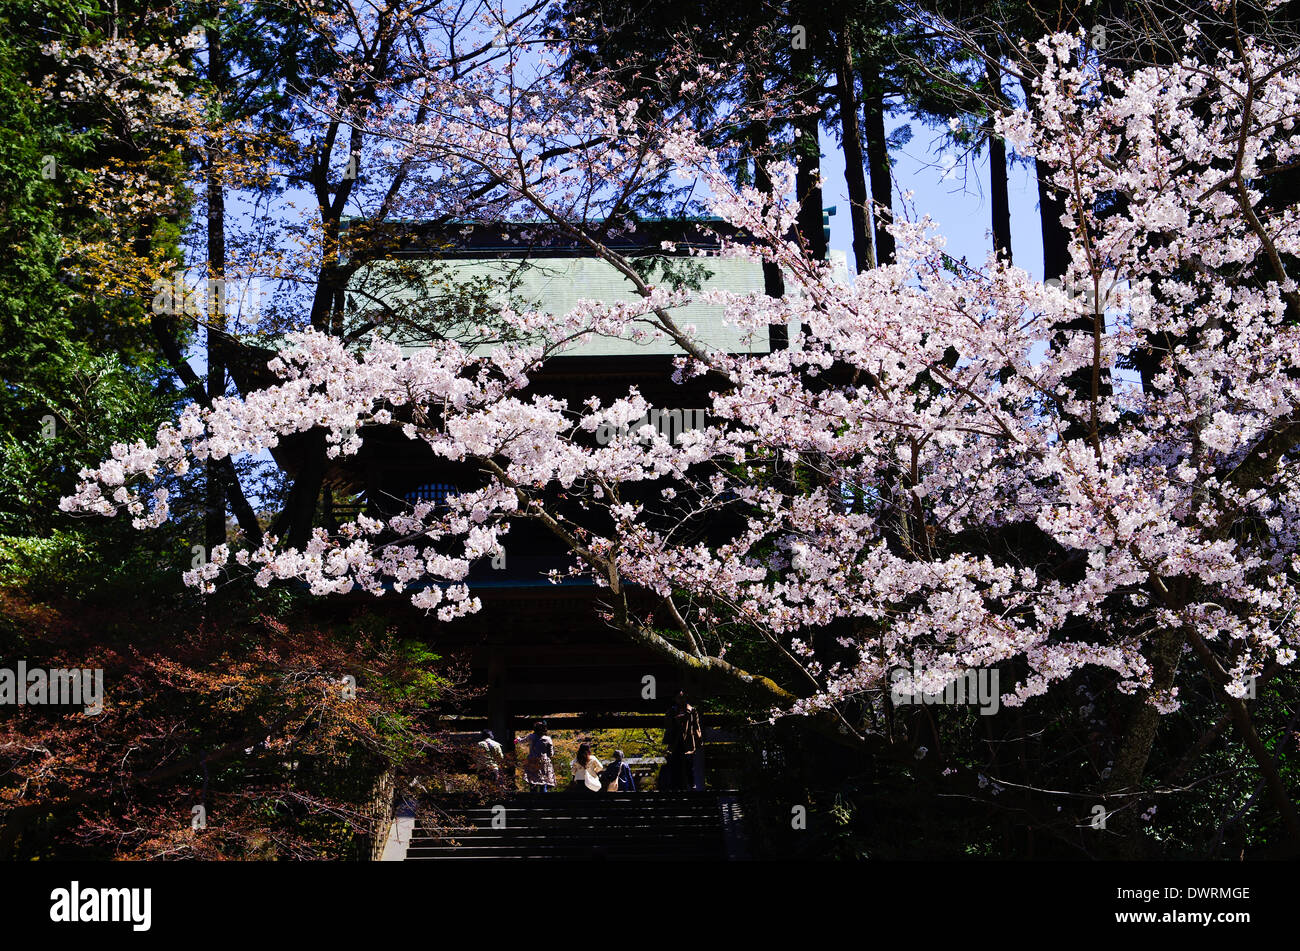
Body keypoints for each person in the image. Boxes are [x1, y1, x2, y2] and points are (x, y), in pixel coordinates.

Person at [663, 691, 702, 790]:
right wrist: (675, 720)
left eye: (683, 698)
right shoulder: (671, 711)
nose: (681, 700)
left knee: (689, 764)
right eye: (679, 698)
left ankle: (691, 784)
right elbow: (667, 724)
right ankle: (675, 786)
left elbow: (696, 727)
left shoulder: (692, 711)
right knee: (675, 764)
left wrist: (698, 741)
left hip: (687, 740)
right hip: (675, 740)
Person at [516, 720, 555, 792]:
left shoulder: (531, 737)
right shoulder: (548, 739)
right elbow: (551, 754)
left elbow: (522, 741)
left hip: (532, 761)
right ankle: (543, 799)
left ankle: (533, 799)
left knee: (532, 780)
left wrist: (518, 739)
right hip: (544, 762)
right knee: (543, 781)